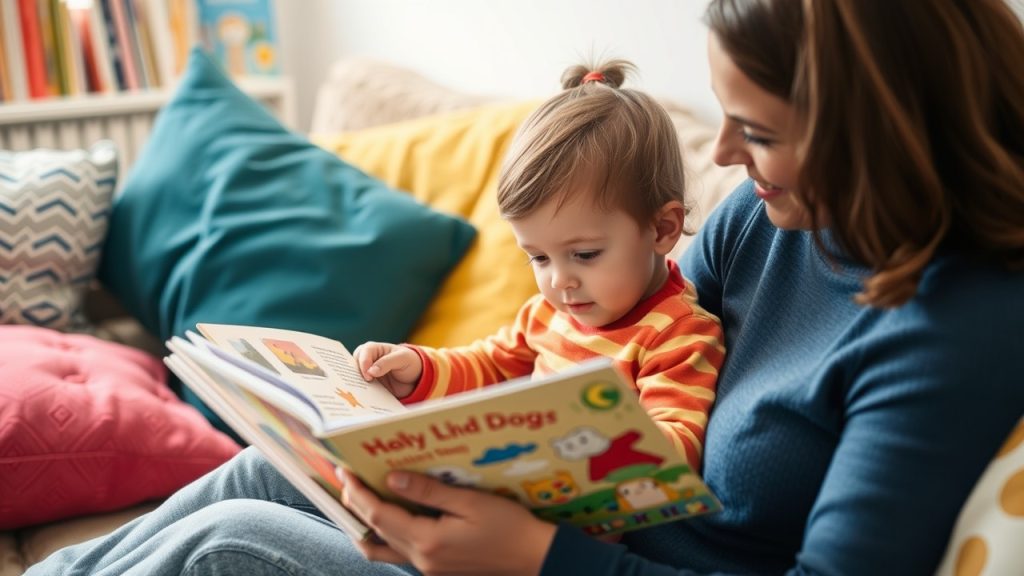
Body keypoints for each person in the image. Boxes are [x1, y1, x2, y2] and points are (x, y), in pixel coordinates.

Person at [27, 1, 1024, 575]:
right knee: (271, 472)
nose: (718, 156)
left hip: (574, 568)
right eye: (724, 118)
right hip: (569, 535)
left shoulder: (956, 327)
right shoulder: (764, 223)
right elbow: (598, 340)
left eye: (755, 134)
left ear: (878, 127)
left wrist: (536, 558)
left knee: (234, 546)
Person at [352, 59, 724, 472]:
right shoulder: (548, 314)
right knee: (267, 470)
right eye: (538, 257)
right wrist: (417, 369)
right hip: (512, 492)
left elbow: (676, 449)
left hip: (573, 523)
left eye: (584, 255)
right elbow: (489, 366)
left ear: (662, 229)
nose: (560, 280)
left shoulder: (677, 334)